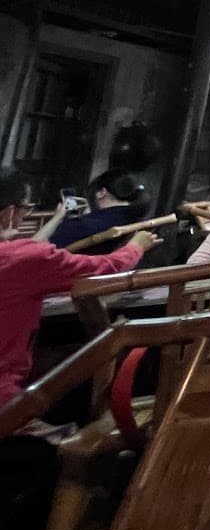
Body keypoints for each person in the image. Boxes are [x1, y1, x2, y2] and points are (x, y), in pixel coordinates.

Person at [0, 167, 159, 407]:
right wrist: (136, 246)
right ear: (10, 212)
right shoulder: (23, 258)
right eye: (26, 209)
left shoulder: (26, 254)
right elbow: (106, 268)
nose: (25, 216)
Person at [49, 171, 146, 253]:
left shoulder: (80, 225)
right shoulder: (137, 221)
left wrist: (57, 218)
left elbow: (42, 253)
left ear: (102, 193)